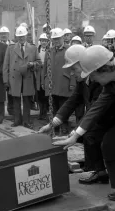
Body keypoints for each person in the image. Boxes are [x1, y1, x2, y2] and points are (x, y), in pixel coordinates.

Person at [54, 45, 115, 199]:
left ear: (102, 69)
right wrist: (75, 135)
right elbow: (97, 107)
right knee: (107, 144)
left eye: (93, 75)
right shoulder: (109, 85)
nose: (92, 78)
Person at [39, 44, 106, 182]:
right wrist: (53, 124)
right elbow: (72, 101)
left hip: (107, 119)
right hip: (97, 117)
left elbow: (95, 110)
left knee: (91, 136)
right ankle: (92, 168)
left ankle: (99, 171)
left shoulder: (100, 82)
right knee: (88, 135)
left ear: (84, 64)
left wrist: (74, 133)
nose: (71, 73)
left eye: (73, 69)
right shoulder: (82, 81)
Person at [3, 25, 41, 128]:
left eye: (23, 36)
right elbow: (6, 65)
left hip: (27, 77)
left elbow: (39, 62)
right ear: (16, 37)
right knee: (15, 100)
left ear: (26, 36)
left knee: (27, 100)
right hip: (15, 78)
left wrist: (32, 64)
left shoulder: (33, 48)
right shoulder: (10, 48)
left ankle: (26, 121)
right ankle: (17, 120)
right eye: (19, 36)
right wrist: (5, 80)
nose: (21, 38)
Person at [42, 28, 76, 135]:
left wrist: (72, 83)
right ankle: (54, 128)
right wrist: (43, 82)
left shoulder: (69, 50)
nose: (56, 41)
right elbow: (45, 68)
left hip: (64, 84)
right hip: (51, 84)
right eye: (54, 39)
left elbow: (74, 68)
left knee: (63, 108)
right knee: (53, 108)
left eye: (58, 39)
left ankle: (64, 127)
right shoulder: (49, 51)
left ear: (62, 38)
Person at [36, 33, 49, 120]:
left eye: (45, 41)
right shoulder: (37, 50)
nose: (44, 42)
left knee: (46, 94)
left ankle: (45, 111)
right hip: (38, 74)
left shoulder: (50, 50)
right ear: (40, 41)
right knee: (39, 94)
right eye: (42, 41)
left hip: (46, 74)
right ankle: (41, 111)